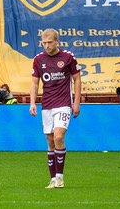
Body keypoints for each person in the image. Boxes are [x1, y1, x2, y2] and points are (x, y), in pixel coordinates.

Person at [28, 28, 81, 189]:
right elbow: (34, 83)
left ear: (57, 41)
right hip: (47, 105)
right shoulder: (38, 59)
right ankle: (53, 179)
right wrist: (32, 103)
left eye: (50, 42)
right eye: (44, 43)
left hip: (64, 104)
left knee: (58, 137)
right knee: (50, 142)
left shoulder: (67, 57)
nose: (46, 45)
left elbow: (77, 79)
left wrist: (76, 102)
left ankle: (60, 177)